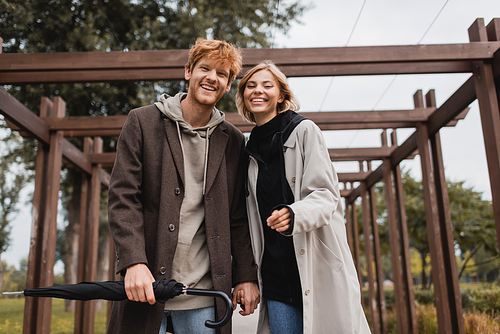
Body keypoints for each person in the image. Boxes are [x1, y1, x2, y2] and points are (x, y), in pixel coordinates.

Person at [107, 38, 260, 334]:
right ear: (188, 71)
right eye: (205, 68)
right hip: (146, 286)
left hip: (204, 296)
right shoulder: (142, 121)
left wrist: (245, 275)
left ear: (228, 84)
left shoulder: (233, 140)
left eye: (222, 74)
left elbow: (238, 217)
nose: (212, 78)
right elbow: (123, 198)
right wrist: (134, 262)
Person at [236, 60, 371, 334]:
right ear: (243, 96)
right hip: (275, 276)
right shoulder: (247, 150)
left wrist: (295, 214)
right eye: (250, 86)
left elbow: (326, 195)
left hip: (314, 267)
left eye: (267, 85)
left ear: (282, 95)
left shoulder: (304, 131)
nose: (257, 91)